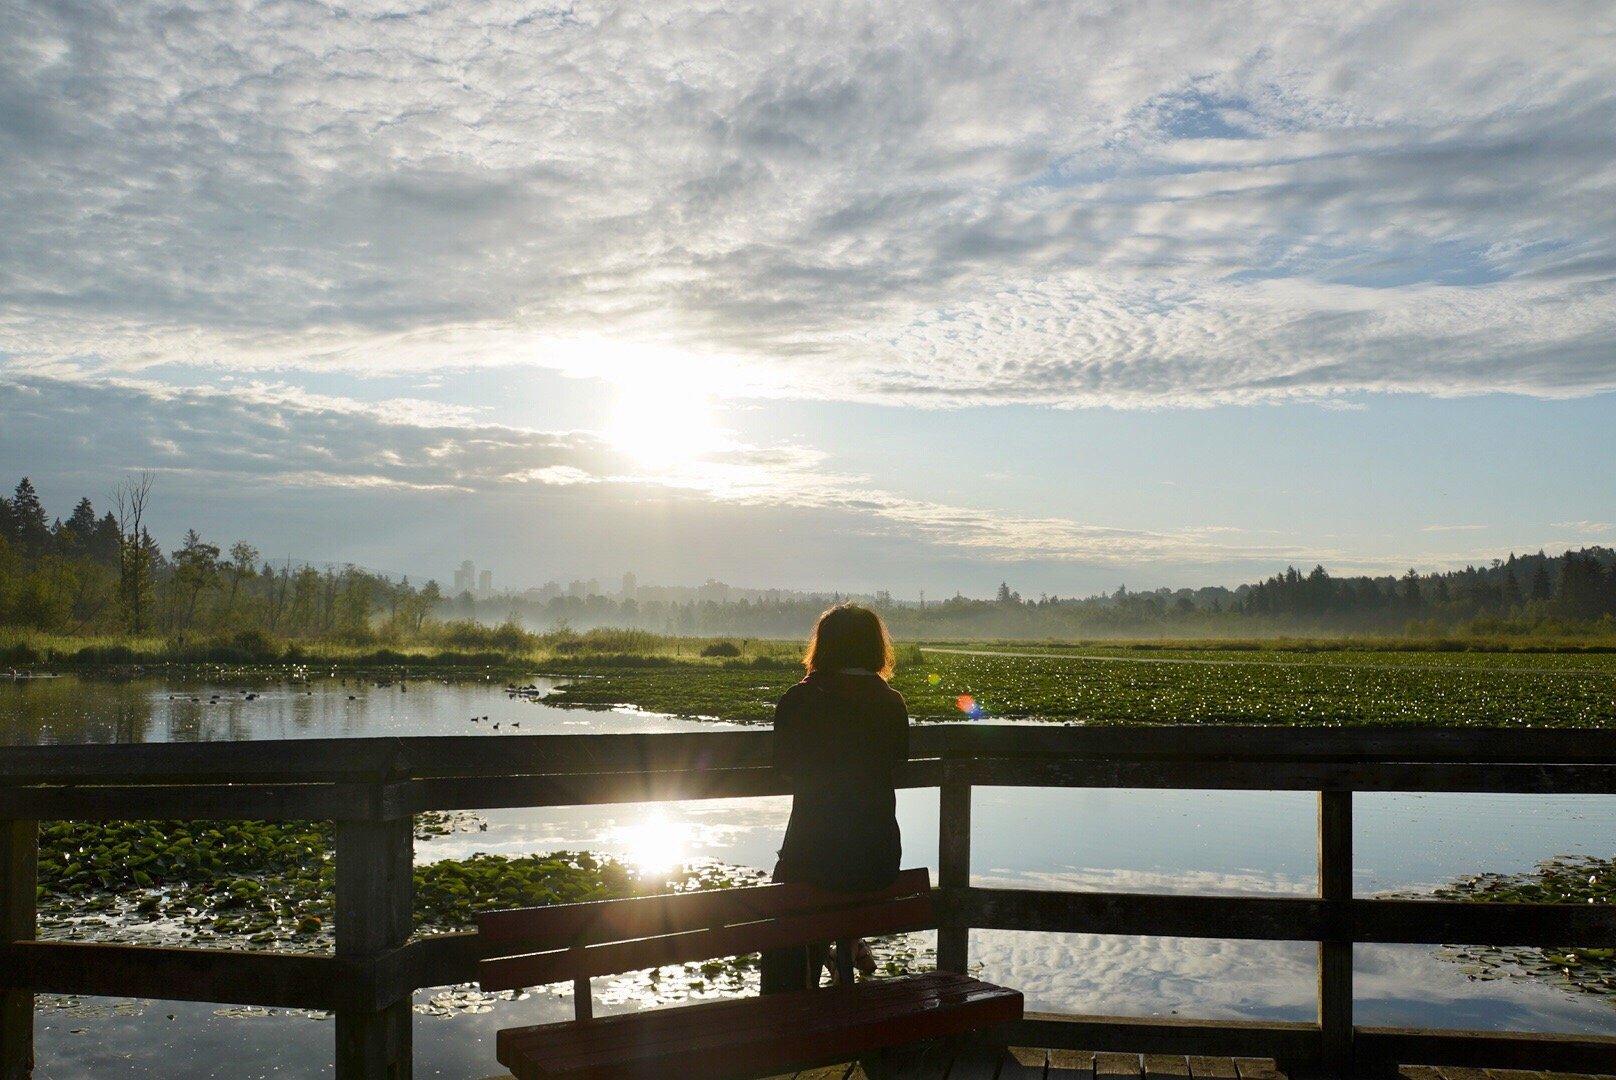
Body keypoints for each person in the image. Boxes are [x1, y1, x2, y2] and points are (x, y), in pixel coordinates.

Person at [759, 603, 909, 994]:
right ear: (875, 647)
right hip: (878, 859)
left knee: (784, 910)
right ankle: (847, 944)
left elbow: (783, 767)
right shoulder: (892, 702)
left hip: (814, 856)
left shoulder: (799, 700)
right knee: (822, 893)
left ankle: (788, 1005)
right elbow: (897, 763)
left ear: (822, 647)